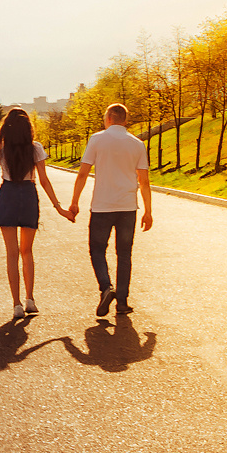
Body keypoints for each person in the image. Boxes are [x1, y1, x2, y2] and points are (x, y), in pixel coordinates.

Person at [61, 102, 154, 318]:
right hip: (128, 207)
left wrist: (74, 202)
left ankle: (106, 287)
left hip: (102, 206)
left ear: (109, 118)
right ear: (125, 120)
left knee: (97, 249)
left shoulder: (97, 139)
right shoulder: (137, 144)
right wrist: (148, 211)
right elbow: (144, 181)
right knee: (124, 254)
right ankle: (122, 301)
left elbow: (83, 173)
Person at [0, 106, 67, 316]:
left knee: (11, 254)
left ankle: (16, 304)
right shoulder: (35, 148)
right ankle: (30, 299)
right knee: (27, 251)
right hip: (29, 195)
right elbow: (45, 180)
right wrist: (59, 207)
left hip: (8, 195)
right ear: (28, 127)